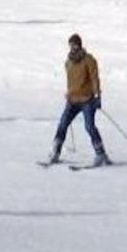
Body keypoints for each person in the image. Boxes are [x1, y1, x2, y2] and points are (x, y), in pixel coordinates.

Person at [47, 34, 110, 166]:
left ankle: (101, 154)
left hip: (87, 100)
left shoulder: (89, 60)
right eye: (70, 45)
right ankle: (55, 152)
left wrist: (97, 96)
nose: (72, 47)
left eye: (75, 44)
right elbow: (71, 80)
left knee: (89, 127)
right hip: (72, 101)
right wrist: (69, 92)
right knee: (63, 124)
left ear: (80, 45)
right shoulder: (68, 62)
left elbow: (94, 78)